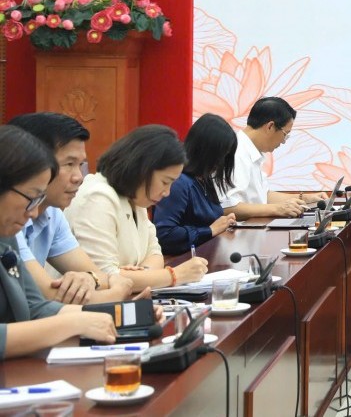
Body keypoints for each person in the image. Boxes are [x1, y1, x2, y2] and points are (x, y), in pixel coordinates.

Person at [0, 125, 117, 357]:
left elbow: (35, 306)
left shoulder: (6, 236)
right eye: (31, 198)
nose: (34, 213)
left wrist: (119, 316)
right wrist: (74, 324)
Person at [7, 112, 134, 304]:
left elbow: (99, 275)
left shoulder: (52, 213)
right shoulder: (9, 218)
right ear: (32, 161)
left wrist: (91, 278)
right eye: (69, 164)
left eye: (81, 165)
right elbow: (50, 298)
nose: (79, 177)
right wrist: (117, 293)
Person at [65, 125, 208, 291]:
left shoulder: (136, 197)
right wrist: (175, 275)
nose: (167, 192)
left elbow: (155, 253)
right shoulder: (97, 197)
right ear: (142, 169)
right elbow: (101, 278)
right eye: (165, 182)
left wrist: (142, 275)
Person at [222, 97, 325, 220]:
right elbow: (227, 208)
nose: (284, 141)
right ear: (270, 126)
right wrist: (277, 209)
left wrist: (305, 198)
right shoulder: (236, 153)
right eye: (285, 134)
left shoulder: (251, 150)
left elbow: (263, 196)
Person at [154, 114, 239, 256]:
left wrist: (224, 223)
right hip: (181, 260)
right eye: (221, 156)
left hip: (204, 255)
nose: (222, 163)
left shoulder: (204, 179)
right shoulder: (179, 182)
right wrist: (210, 230)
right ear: (206, 151)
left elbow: (210, 223)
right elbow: (165, 234)